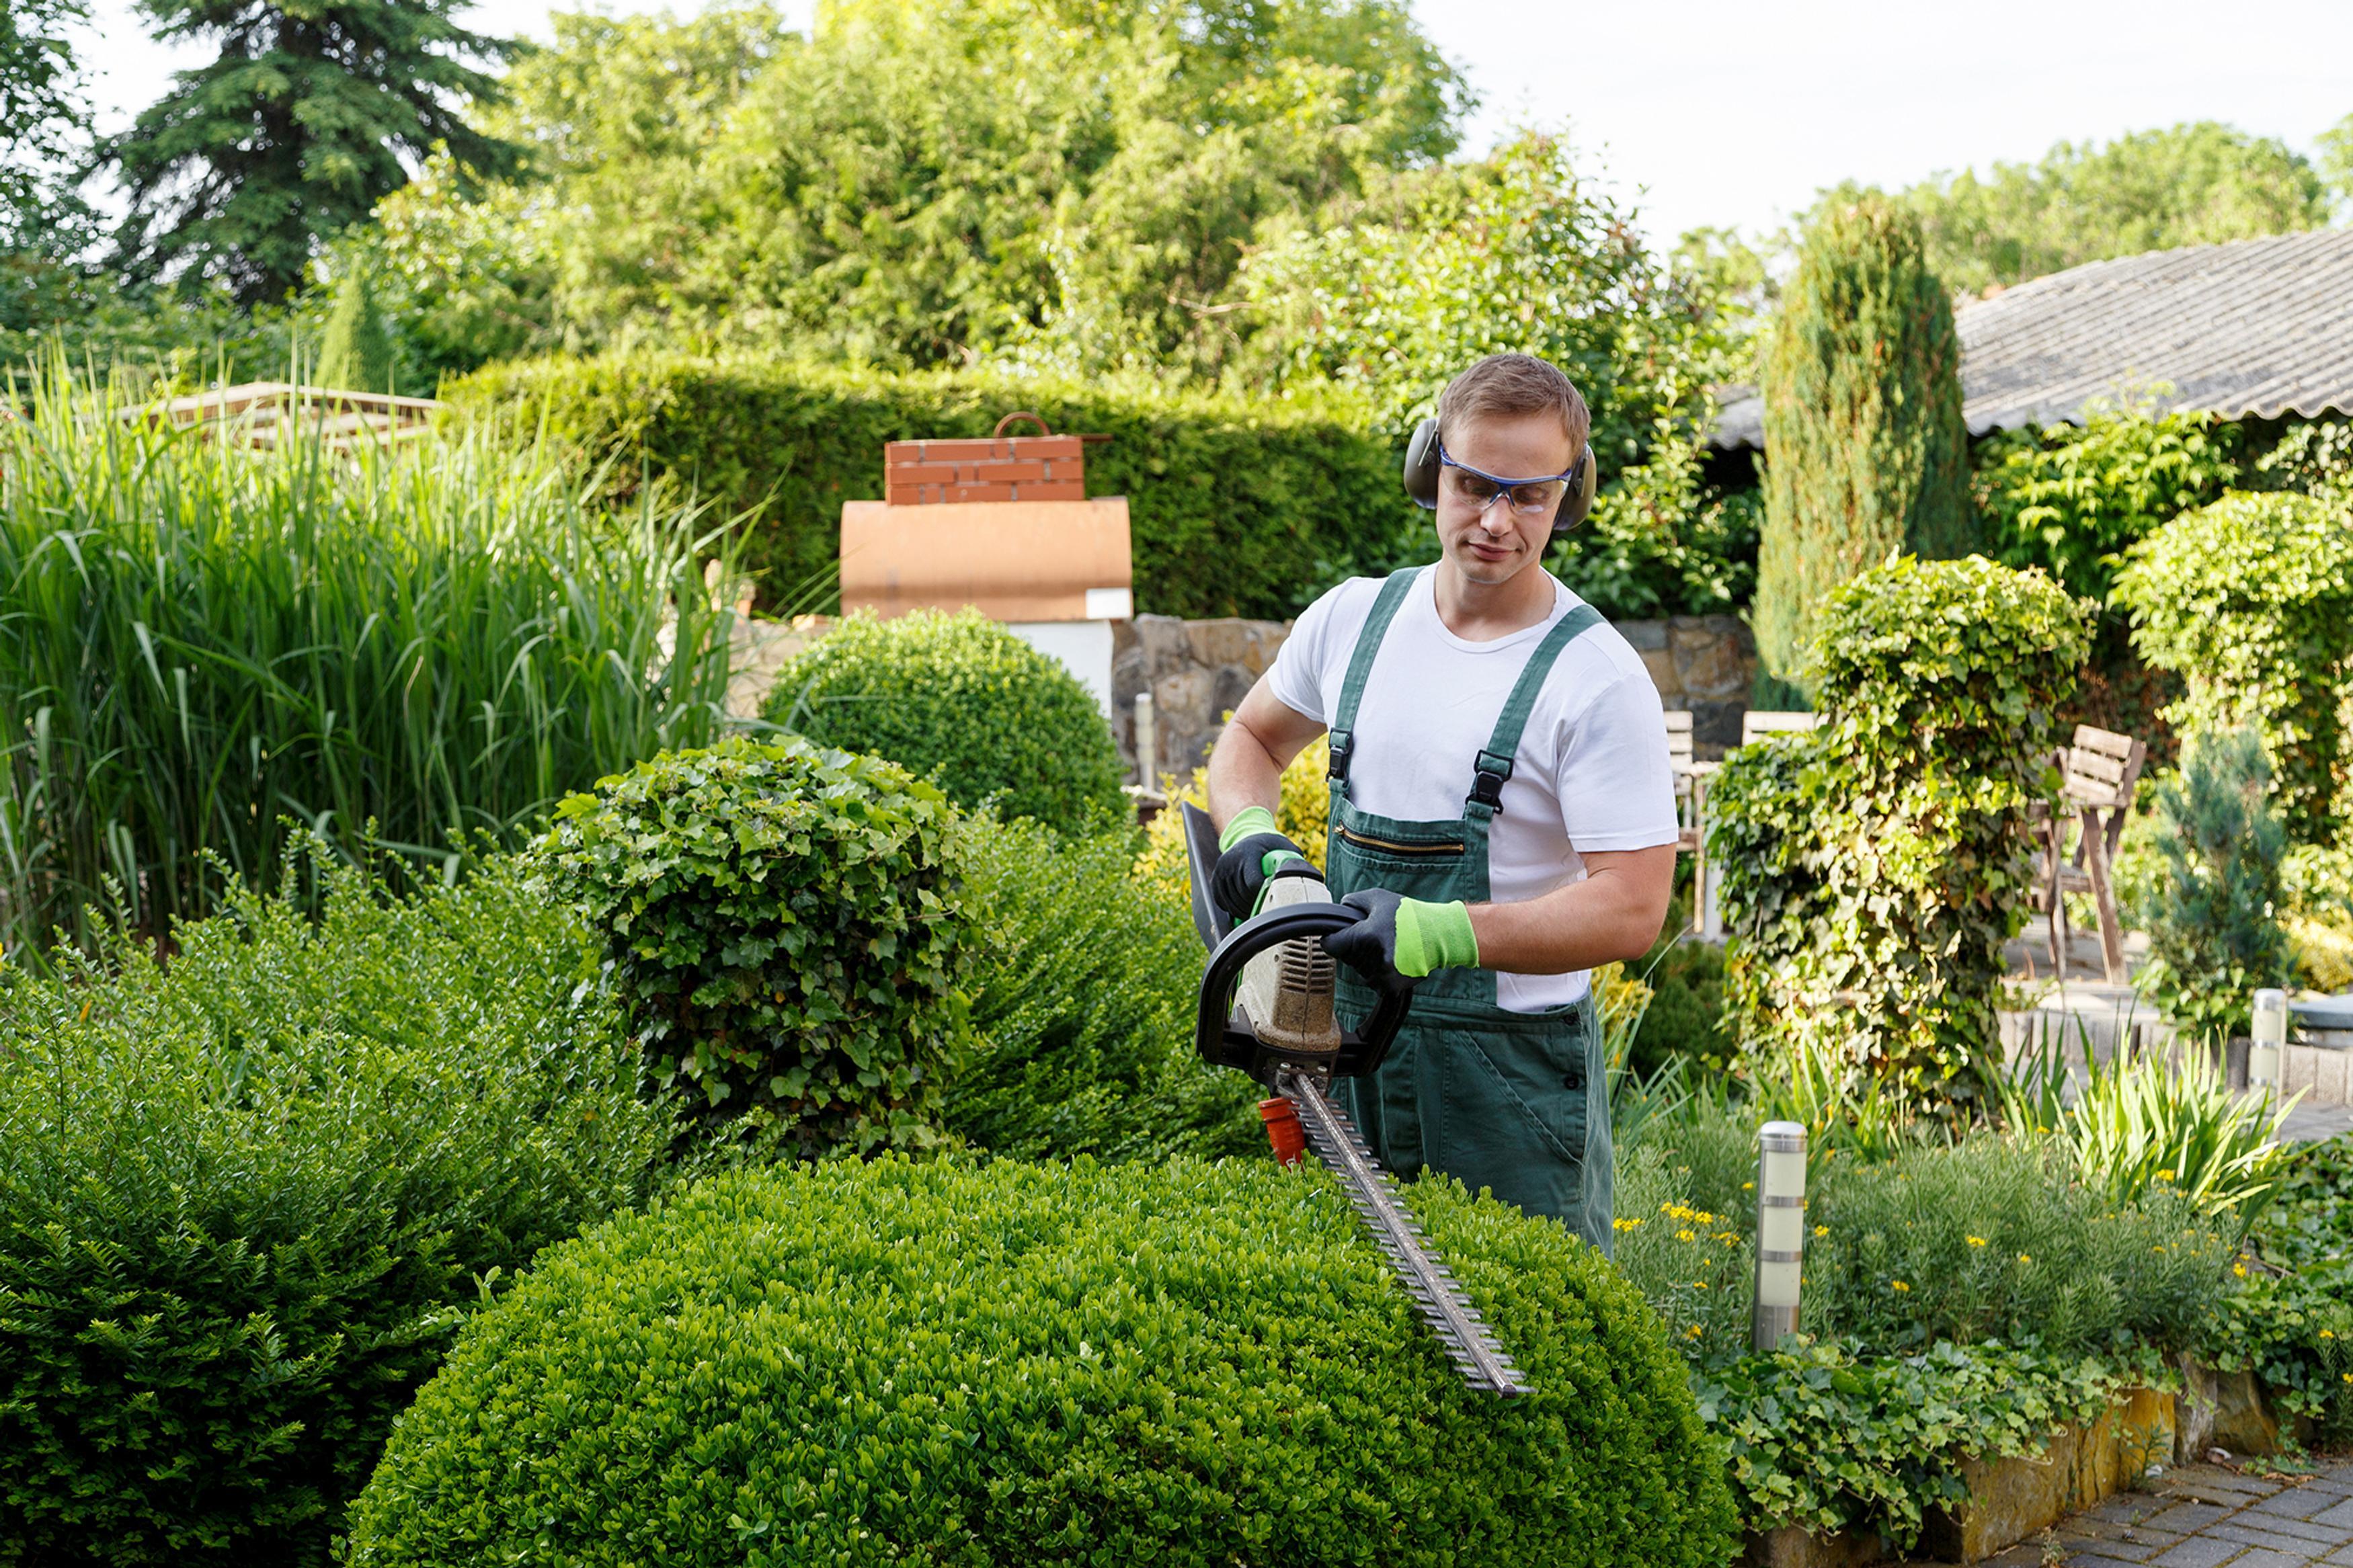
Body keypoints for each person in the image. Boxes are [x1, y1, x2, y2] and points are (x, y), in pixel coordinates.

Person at [1204, 352, 1677, 1253]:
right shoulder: (1352, 621)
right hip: (1342, 1053)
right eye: (1474, 485)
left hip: (1506, 1087)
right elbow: (1251, 741)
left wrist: (1444, 931)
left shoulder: (1595, 676)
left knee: (1532, 1347)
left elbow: (1632, 906)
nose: (1496, 520)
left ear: (1568, 498)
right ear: (1432, 472)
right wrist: (1255, 836)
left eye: (1529, 495)